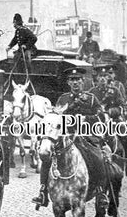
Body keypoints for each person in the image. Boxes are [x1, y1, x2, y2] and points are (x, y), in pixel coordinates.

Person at [32, 67, 109, 208]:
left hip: (87, 135)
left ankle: (100, 191)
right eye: (72, 80)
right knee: (46, 156)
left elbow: (101, 117)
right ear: (68, 82)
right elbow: (56, 117)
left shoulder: (91, 99)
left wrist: (86, 118)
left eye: (78, 80)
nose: (75, 83)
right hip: (66, 136)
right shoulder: (63, 99)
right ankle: (43, 191)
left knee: (97, 156)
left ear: (83, 81)